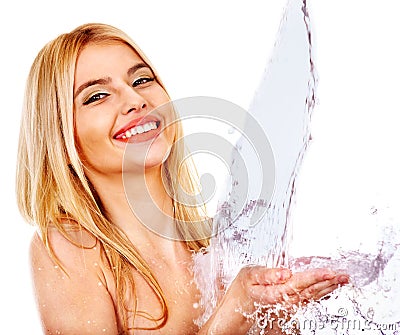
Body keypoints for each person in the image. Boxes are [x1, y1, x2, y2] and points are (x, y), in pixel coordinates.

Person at [16, 23, 349, 334]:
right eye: (97, 96)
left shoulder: (220, 248)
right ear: (60, 135)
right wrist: (234, 313)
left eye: (141, 80)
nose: (136, 101)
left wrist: (280, 318)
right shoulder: (69, 247)